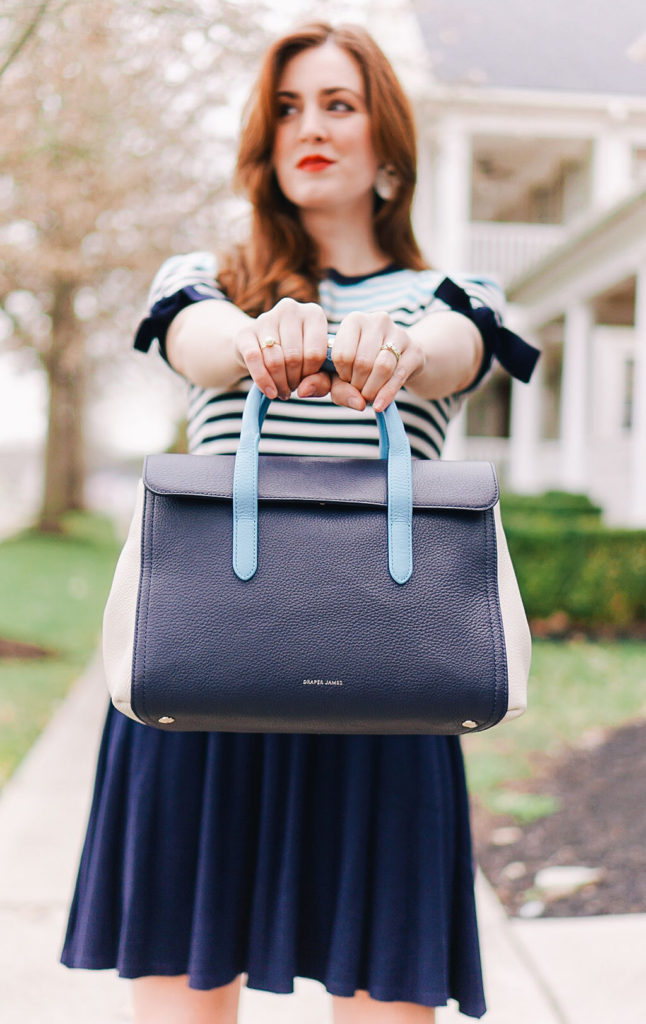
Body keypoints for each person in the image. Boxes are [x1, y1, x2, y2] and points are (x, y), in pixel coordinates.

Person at [61, 21, 535, 1023]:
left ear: (388, 146)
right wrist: (263, 332)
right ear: (262, 143)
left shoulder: (455, 297)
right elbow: (197, 345)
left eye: (337, 104)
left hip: (388, 689)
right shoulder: (206, 280)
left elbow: (453, 353)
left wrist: (397, 345)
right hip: (205, 682)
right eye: (286, 108)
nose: (308, 126)